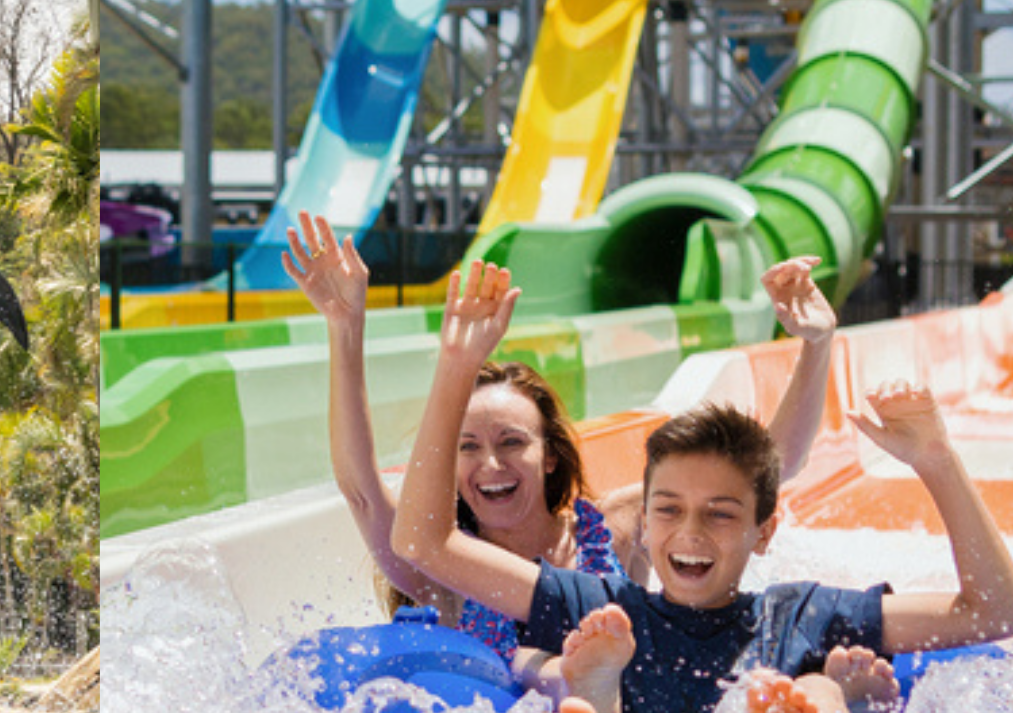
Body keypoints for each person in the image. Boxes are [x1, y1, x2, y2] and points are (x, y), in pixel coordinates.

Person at [391, 260, 1013, 713]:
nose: (690, 534)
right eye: (668, 510)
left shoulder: (803, 614)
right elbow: (423, 541)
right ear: (643, 517)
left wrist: (937, 461)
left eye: (720, 515)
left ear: (765, 530)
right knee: (561, 674)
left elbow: (997, 613)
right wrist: (457, 364)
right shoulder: (600, 610)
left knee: (818, 691)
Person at [281, 210, 845, 668]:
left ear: (549, 455)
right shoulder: (442, 561)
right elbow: (359, 488)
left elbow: (770, 468)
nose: (490, 464)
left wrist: (816, 344)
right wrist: (344, 326)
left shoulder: (617, 530)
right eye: (467, 447)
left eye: (510, 442)